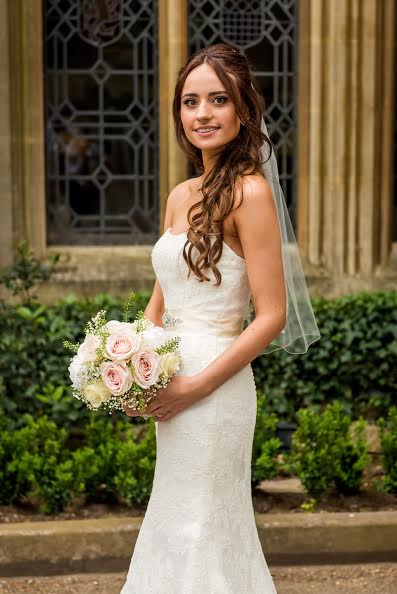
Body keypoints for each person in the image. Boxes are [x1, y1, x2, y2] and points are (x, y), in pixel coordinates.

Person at [120, 42, 290, 593]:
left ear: (242, 110)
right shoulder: (179, 196)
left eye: (218, 99)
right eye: (190, 101)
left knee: (204, 526)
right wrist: (128, 365)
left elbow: (271, 316)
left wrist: (192, 388)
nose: (202, 113)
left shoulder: (251, 193)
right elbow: (161, 298)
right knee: (171, 520)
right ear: (178, 114)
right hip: (173, 383)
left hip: (214, 389)